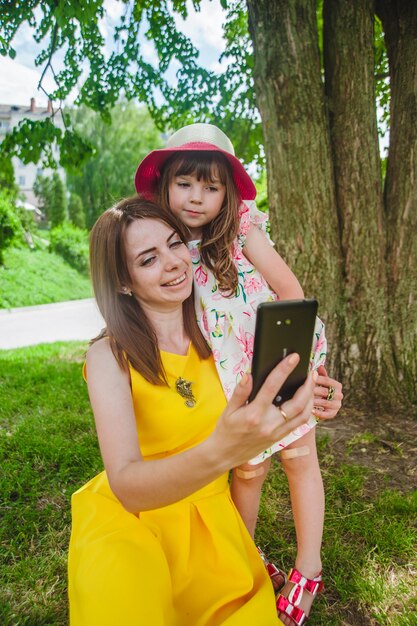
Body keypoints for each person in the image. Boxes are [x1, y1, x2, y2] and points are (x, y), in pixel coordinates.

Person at [67, 196, 322, 626]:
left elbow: (277, 386)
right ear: (123, 283)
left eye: (175, 244)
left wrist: (316, 390)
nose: (173, 263)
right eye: (148, 259)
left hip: (213, 528)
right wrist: (224, 451)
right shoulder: (109, 357)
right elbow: (127, 484)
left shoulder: (223, 336)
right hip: (132, 524)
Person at [134, 123, 343, 626]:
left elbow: (288, 286)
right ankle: (240, 560)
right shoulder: (167, 241)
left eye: (211, 186)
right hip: (230, 379)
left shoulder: (242, 227)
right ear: (165, 184)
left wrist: (307, 364)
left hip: (277, 357)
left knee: (299, 457)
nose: (197, 197)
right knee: (247, 472)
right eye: (185, 183)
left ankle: (307, 568)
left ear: (228, 194)